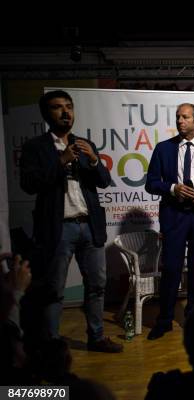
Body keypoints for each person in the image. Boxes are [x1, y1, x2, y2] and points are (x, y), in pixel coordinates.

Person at [19, 90, 122, 352]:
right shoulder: (35, 148)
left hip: (89, 225)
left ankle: (96, 338)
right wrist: (61, 160)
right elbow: (29, 185)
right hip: (58, 228)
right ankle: (52, 344)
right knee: (54, 290)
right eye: (58, 107)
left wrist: (95, 160)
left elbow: (103, 181)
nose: (66, 112)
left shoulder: (84, 143)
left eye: (69, 107)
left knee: (97, 286)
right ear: (46, 114)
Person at [145, 103, 194, 340]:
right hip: (174, 216)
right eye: (178, 117)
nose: (180, 121)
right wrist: (172, 188)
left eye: (185, 117)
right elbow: (151, 182)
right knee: (171, 269)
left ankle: (193, 317)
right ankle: (165, 320)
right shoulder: (163, 149)